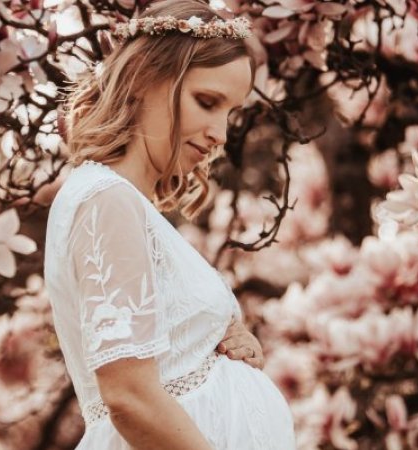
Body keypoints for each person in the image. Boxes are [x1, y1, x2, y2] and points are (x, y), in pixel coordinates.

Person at [43, 0, 296, 448]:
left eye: (230, 114)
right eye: (206, 101)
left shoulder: (129, 207)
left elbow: (161, 364)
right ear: (143, 78)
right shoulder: (106, 199)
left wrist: (223, 344)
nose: (220, 133)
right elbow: (128, 396)